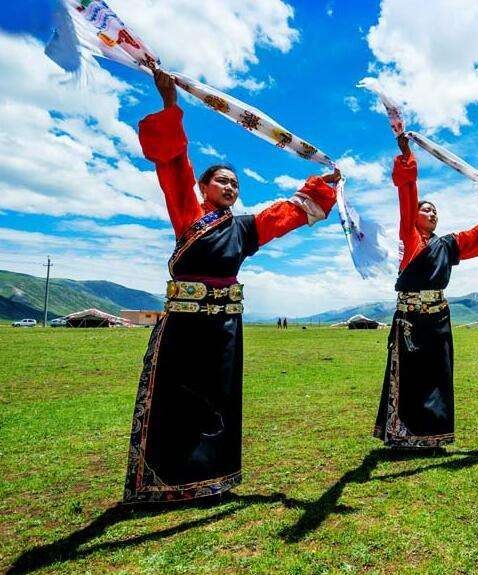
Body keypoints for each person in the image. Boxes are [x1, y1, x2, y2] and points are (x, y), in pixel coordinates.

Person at [123, 69, 341, 504]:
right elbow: (173, 166)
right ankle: (167, 480)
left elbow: (289, 213)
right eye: (221, 180)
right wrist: (170, 107)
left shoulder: (245, 229)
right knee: (177, 399)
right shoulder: (189, 216)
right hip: (183, 327)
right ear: (203, 188)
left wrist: (324, 185)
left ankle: (212, 477)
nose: (230, 186)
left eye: (235, 183)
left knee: (216, 400)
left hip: (225, 328)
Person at [373, 134, 478, 449]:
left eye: (435, 211)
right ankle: (403, 434)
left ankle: (433, 436)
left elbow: (477, 236)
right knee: (411, 377)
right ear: (415, 216)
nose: (431, 214)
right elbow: (408, 195)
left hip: (439, 320)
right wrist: (407, 159)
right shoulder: (409, 237)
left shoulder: (446, 245)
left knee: (437, 377)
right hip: (411, 320)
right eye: (426, 210)